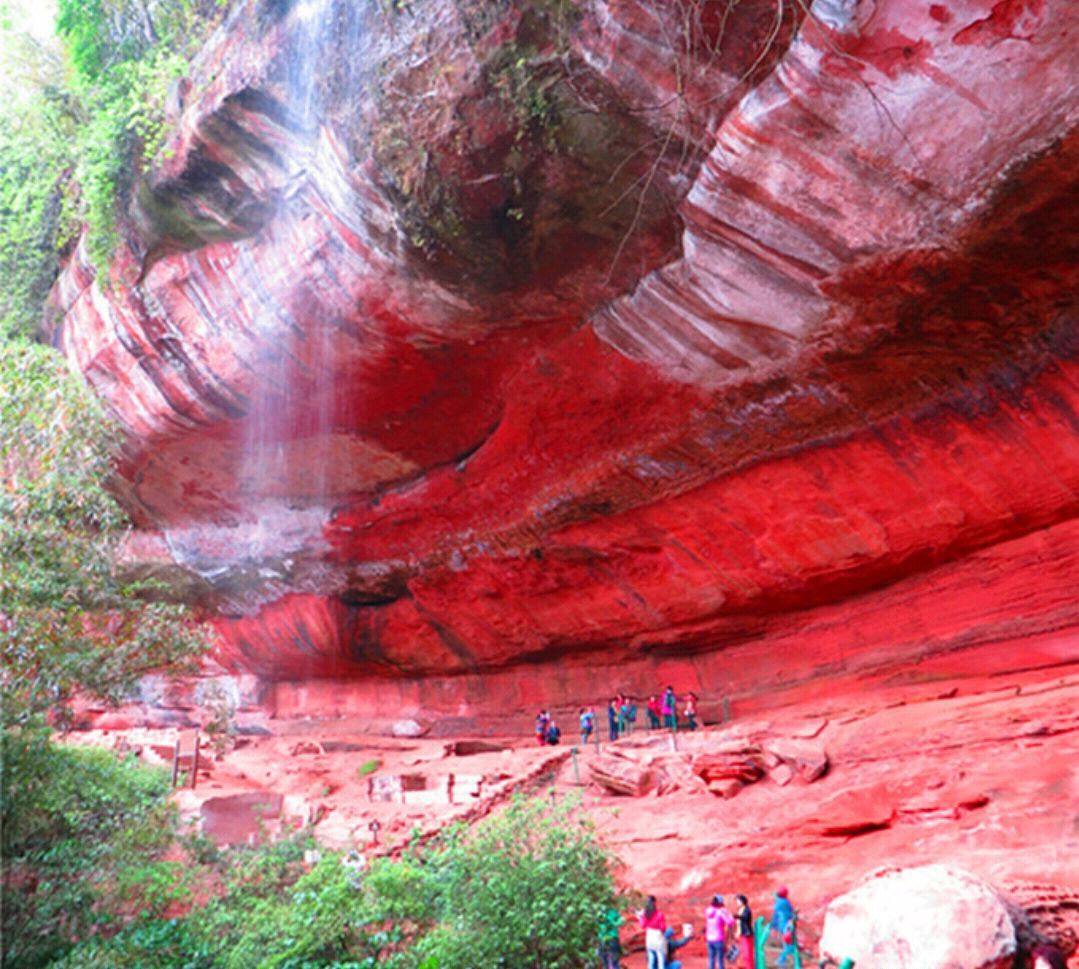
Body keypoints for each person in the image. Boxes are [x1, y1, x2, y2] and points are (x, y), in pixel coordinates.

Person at [705, 895, 735, 969]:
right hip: (718, 939)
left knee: (711, 959)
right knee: (720, 960)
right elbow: (730, 923)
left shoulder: (707, 911)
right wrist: (730, 916)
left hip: (709, 938)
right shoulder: (720, 912)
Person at [639, 895, 668, 969]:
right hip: (658, 939)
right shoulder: (659, 914)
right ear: (655, 903)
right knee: (661, 961)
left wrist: (641, 916)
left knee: (651, 961)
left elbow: (642, 925)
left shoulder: (646, 914)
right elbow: (663, 928)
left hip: (649, 939)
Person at [769, 886, 796, 967]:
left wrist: (773, 927)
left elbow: (775, 916)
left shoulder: (778, 903)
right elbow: (790, 914)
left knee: (786, 943)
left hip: (782, 925)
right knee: (790, 945)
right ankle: (781, 959)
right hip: (787, 925)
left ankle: (783, 960)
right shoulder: (786, 902)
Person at [735, 895, 755, 969]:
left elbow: (745, 917)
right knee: (745, 955)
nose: (737, 902)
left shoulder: (746, 910)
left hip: (747, 934)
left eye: (738, 901)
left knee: (748, 955)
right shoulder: (741, 910)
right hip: (743, 934)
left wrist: (737, 916)